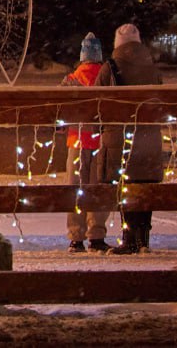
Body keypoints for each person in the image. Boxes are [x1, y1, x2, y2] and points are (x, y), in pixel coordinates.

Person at [102, 23, 164, 254]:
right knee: (145, 184)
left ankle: (129, 238)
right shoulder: (152, 66)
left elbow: (97, 101)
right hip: (149, 135)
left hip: (123, 135)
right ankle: (143, 238)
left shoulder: (111, 66)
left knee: (126, 186)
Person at [62, 32, 112, 252]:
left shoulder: (72, 79)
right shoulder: (107, 77)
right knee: (99, 189)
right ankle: (97, 235)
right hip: (100, 142)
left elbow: (58, 110)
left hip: (77, 141)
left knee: (76, 189)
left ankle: (76, 236)